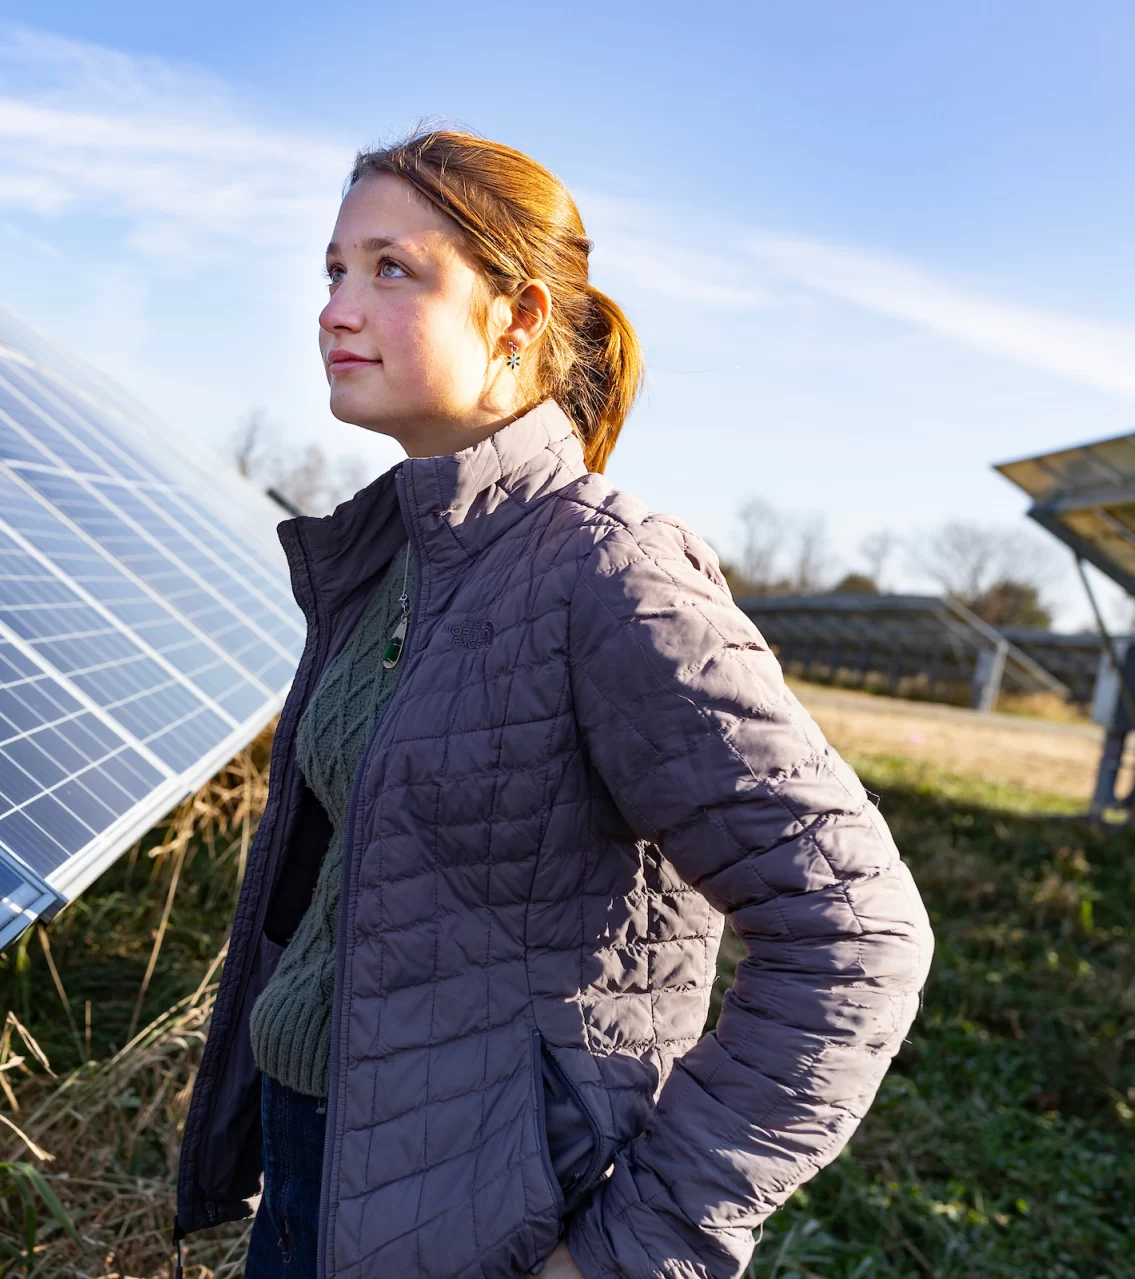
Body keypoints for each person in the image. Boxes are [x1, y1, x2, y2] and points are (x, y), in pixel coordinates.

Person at [173, 130, 933, 1279]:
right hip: (314, 1171)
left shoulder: (609, 573)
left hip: (477, 1223)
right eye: (332, 270)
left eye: (393, 270)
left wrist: (629, 1252)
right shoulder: (393, 558)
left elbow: (855, 934)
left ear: (517, 318)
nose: (335, 308)